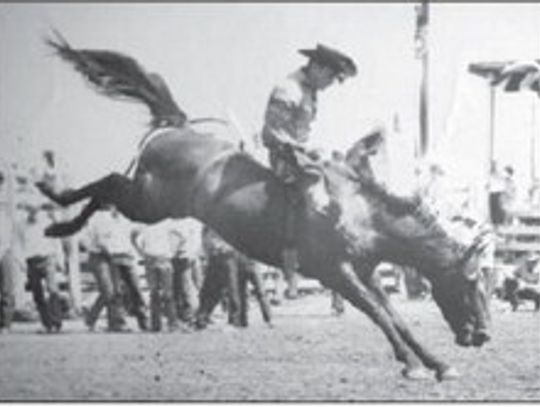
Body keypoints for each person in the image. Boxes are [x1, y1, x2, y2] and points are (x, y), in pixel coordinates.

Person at [261, 43, 357, 299]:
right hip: (285, 157)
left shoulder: (309, 90)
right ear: (317, 67)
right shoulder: (289, 89)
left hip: (299, 154)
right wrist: (304, 151)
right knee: (315, 198)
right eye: (330, 77)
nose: (330, 84)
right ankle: (296, 258)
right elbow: (272, 133)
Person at [83, 206, 147, 332]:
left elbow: (137, 232)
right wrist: (111, 253)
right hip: (102, 255)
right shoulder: (100, 218)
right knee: (110, 290)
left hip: (123, 256)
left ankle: (91, 316)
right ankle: (117, 323)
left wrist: (138, 248)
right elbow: (99, 241)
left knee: (132, 289)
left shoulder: (129, 218)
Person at [197, 226, 272, 329]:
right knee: (232, 291)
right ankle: (236, 320)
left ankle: (253, 319)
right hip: (227, 258)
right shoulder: (210, 227)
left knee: (245, 291)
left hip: (238, 259)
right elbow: (208, 242)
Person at [131, 220, 179, 332]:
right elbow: (133, 235)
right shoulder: (145, 223)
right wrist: (140, 252)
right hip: (150, 259)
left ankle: (173, 323)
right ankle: (155, 325)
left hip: (165, 259)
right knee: (154, 293)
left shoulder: (167, 222)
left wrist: (173, 251)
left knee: (168, 294)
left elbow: (180, 236)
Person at [23, 205, 64, 333]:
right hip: (31, 261)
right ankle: (47, 324)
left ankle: (56, 322)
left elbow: (57, 242)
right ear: (27, 211)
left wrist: (60, 260)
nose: (33, 213)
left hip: (47, 258)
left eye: (35, 210)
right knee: (38, 294)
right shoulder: (21, 226)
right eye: (30, 210)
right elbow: (18, 244)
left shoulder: (47, 224)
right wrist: (21, 263)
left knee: (53, 289)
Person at [171, 218, 202, 326]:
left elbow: (186, 239)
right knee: (181, 286)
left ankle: (189, 314)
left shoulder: (186, 222)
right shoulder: (189, 222)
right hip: (182, 255)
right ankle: (185, 313)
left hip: (183, 256)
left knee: (185, 285)